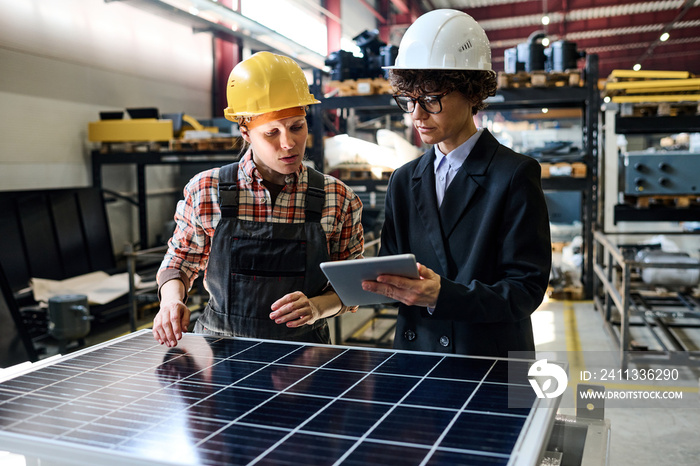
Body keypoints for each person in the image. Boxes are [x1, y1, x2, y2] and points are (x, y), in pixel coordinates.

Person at [362, 9, 551, 357]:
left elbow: (525, 290)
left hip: (488, 360)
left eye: (431, 100)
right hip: (417, 357)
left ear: (471, 92)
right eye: (409, 101)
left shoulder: (514, 175)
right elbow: (390, 269)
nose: (417, 115)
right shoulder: (404, 181)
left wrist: (442, 296)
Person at [153, 51, 364, 347]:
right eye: (271, 133)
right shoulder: (206, 190)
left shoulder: (337, 198)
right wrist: (171, 301)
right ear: (246, 132)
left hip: (303, 358)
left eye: (296, 127)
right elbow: (180, 262)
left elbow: (351, 286)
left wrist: (317, 307)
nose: (288, 143)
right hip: (220, 352)